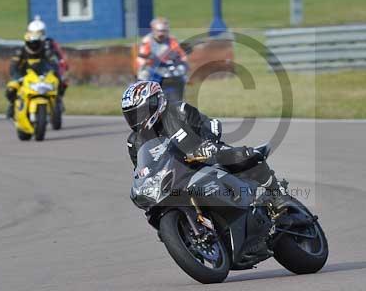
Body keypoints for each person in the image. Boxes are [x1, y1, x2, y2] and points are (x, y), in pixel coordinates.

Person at [121, 80, 288, 212]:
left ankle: (277, 192)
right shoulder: (134, 141)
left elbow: (211, 125)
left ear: (154, 102)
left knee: (241, 156)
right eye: (131, 115)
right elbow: (141, 170)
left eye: (139, 112)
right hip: (175, 177)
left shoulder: (179, 110)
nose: (136, 118)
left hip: (205, 158)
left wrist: (208, 144)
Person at [5, 32, 54, 119]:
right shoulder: (20, 52)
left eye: (36, 43)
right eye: (31, 43)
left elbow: (52, 64)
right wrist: (17, 77)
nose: (34, 46)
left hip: (41, 77)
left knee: (58, 84)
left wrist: (53, 73)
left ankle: (56, 107)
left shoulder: (45, 51)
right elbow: (13, 66)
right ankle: (12, 105)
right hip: (24, 76)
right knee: (11, 89)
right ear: (27, 43)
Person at [26, 15, 68, 97]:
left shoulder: (49, 42)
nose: (37, 35)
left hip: (47, 69)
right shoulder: (27, 43)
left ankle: (58, 101)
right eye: (34, 33)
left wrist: (62, 63)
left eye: (39, 32)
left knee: (62, 82)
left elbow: (59, 55)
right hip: (30, 69)